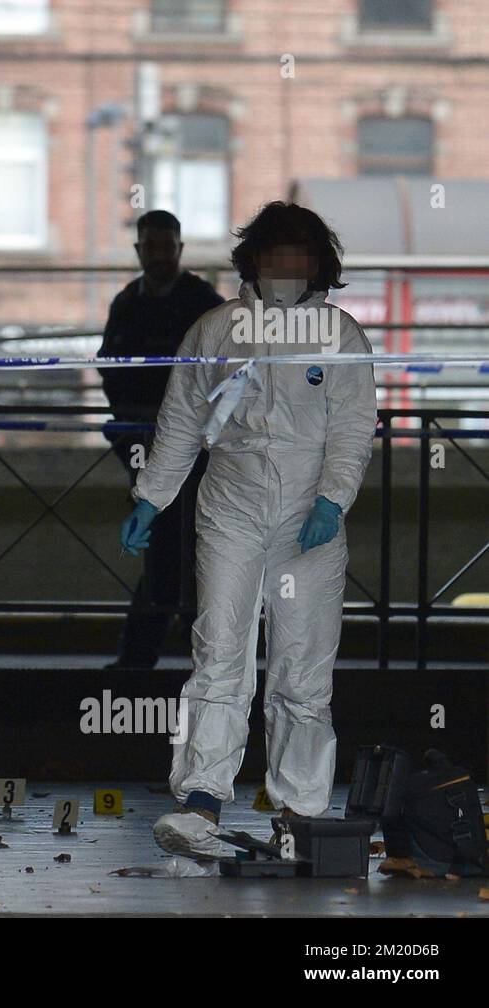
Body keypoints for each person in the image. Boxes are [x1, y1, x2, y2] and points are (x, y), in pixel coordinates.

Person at [119, 202, 377, 858]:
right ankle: (201, 801)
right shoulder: (217, 330)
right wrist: (152, 496)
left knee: (302, 666)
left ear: (319, 264)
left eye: (301, 257)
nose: (288, 268)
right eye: (276, 256)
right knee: (220, 651)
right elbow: (179, 421)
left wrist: (331, 501)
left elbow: (352, 428)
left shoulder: (340, 335)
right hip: (231, 510)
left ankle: (302, 816)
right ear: (254, 262)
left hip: (308, 524)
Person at [97, 210, 224, 670]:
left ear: (178, 250)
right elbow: (111, 368)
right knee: (178, 547)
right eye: (151, 247)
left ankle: (143, 655)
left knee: (176, 548)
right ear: (139, 251)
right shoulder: (157, 302)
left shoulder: (192, 302)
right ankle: (198, 660)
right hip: (152, 441)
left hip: (188, 446)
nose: (157, 256)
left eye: (164, 247)